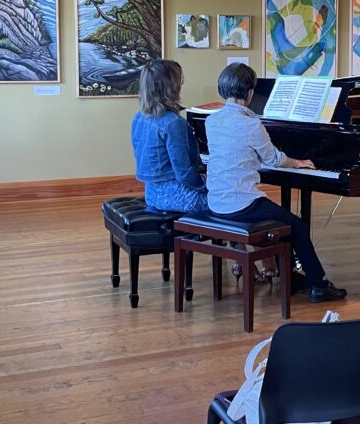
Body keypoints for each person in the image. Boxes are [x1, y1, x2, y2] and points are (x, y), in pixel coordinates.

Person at [204, 62, 347, 303]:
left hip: (216, 200)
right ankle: (318, 285)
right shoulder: (250, 124)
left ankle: (290, 276)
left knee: (283, 220)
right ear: (250, 93)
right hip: (241, 205)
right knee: (297, 225)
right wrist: (299, 162)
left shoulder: (212, 121)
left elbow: (237, 153)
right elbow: (273, 159)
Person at [131, 60, 208, 213]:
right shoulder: (173, 123)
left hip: (151, 193)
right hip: (178, 197)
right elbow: (184, 174)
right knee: (230, 201)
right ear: (170, 87)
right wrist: (205, 184)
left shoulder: (138, 118)